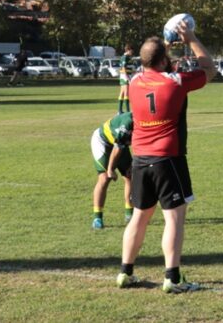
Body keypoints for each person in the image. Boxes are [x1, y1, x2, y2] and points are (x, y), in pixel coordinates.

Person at [117, 19, 216, 294]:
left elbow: (152, 61)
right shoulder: (175, 83)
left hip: (140, 159)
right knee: (174, 219)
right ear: (163, 60)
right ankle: (172, 278)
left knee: (139, 217)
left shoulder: (135, 81)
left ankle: (126, 272)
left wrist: (164, 48)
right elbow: (209, 68)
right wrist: (191, 38)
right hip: (168, 159)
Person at [91, 111, 134, 229]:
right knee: (104, 178)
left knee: (131, 174)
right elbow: (118, 148)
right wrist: (110, 169)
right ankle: (97, 218)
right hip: (102, 142)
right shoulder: (128, 123)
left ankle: (129, 214)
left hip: (119, 143)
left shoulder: (146, 122)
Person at [117, 45, 134, 114]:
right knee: (126, 93)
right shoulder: (125, 57)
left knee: (122, 93)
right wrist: (127, 77)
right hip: (125, 76)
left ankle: (120, 110)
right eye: (131, 50)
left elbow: (128, 67)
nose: (132, 52)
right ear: (128, 50)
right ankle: (127, 111)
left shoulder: (127, 57)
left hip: (124, 75)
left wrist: (134, 71)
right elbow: (123, 68)